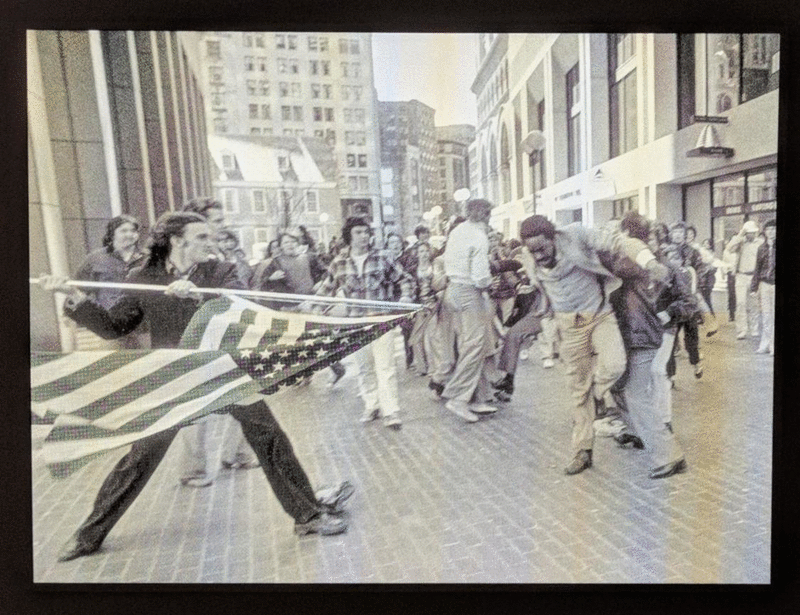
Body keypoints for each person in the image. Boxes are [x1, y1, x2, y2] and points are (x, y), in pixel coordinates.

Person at [40, 212, 354, 562]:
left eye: (211, 237)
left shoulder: (218, 273)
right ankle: (89, 535)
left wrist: (199, 300)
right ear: (177, 240)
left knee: (269, 437)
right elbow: (114, 327)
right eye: (202, 237)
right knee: (140, 458)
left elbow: (243, 310)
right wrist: (74, 296)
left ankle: (308, 515)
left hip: (223, 370)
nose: (211, 243)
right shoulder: (144, 277)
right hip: (178, 377)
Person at [518, 214, 666, 475]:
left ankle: (597, 395)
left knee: (615, 365)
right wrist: (544, 304)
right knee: (578, 392)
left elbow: (621, 242)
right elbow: (540, 283)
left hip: (599, 315)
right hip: (568, 326)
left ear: (554, 237)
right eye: (533, 251)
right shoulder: (530, 255)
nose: (538, 255)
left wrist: (650, 261)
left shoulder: (575, 234)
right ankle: (582, 451)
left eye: (542, 248)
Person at [608, 212, 689, 479]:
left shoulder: (635, 264)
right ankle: (639, 432)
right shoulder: (639, 263)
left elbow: (689, 302)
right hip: (632, 335)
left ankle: (669, 455)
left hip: (641, 335)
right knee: (619, 387)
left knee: (636, 393)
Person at [315, 217, 414, 430]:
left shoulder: (382, 257)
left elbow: (404, 279)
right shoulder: (339, 262)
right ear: (349, 236)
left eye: (366, 232)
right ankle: (372, 404)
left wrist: (405, 296)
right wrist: (312, 305)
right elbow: (326, 288)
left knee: (385, 366)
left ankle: (391, 411)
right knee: (364, 367)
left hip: (380, 320)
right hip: (356, 323)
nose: (364, 236)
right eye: (358, 232)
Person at [438, 199, 500, 423]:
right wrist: (488, 284)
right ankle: (458, 397)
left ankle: (478, 397)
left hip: (452, 290)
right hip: (469, 291)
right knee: (475, 346)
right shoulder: (479, 236)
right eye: (489, 214)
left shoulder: (457, 231)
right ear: (484, 215)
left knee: (474, 344)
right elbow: (480, 275)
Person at [667, 222, 706, 379]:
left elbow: (700, 273)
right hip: (671, 302)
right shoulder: (665, 252)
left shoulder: (693, 253)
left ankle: (696, 362)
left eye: (680, 232)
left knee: (691, 339)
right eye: (674, 231)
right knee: (669, 340)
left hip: (689, 302)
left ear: (685, 234)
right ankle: (670, 375)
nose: (677, 234)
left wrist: (698, 292)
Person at [724, 220, 764, 340]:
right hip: (740, 276)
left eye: (753, 232)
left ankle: (755, 328)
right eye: (748, 232)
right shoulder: (740, 242)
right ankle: (741, 330)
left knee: (754, 304)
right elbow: (729, 248)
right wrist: (739, 235)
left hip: (754, 276)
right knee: (740, 304)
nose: (751, 234)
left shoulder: (761, 243)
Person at [750, 219, 776, 355]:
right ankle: (765, 344)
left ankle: (773, 345)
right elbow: (757, 269)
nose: (771, 232)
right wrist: (753, 288)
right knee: (766, 315)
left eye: (774, 229)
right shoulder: (761, 248)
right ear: (765, 232)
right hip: (765, 284)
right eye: (769, 229)